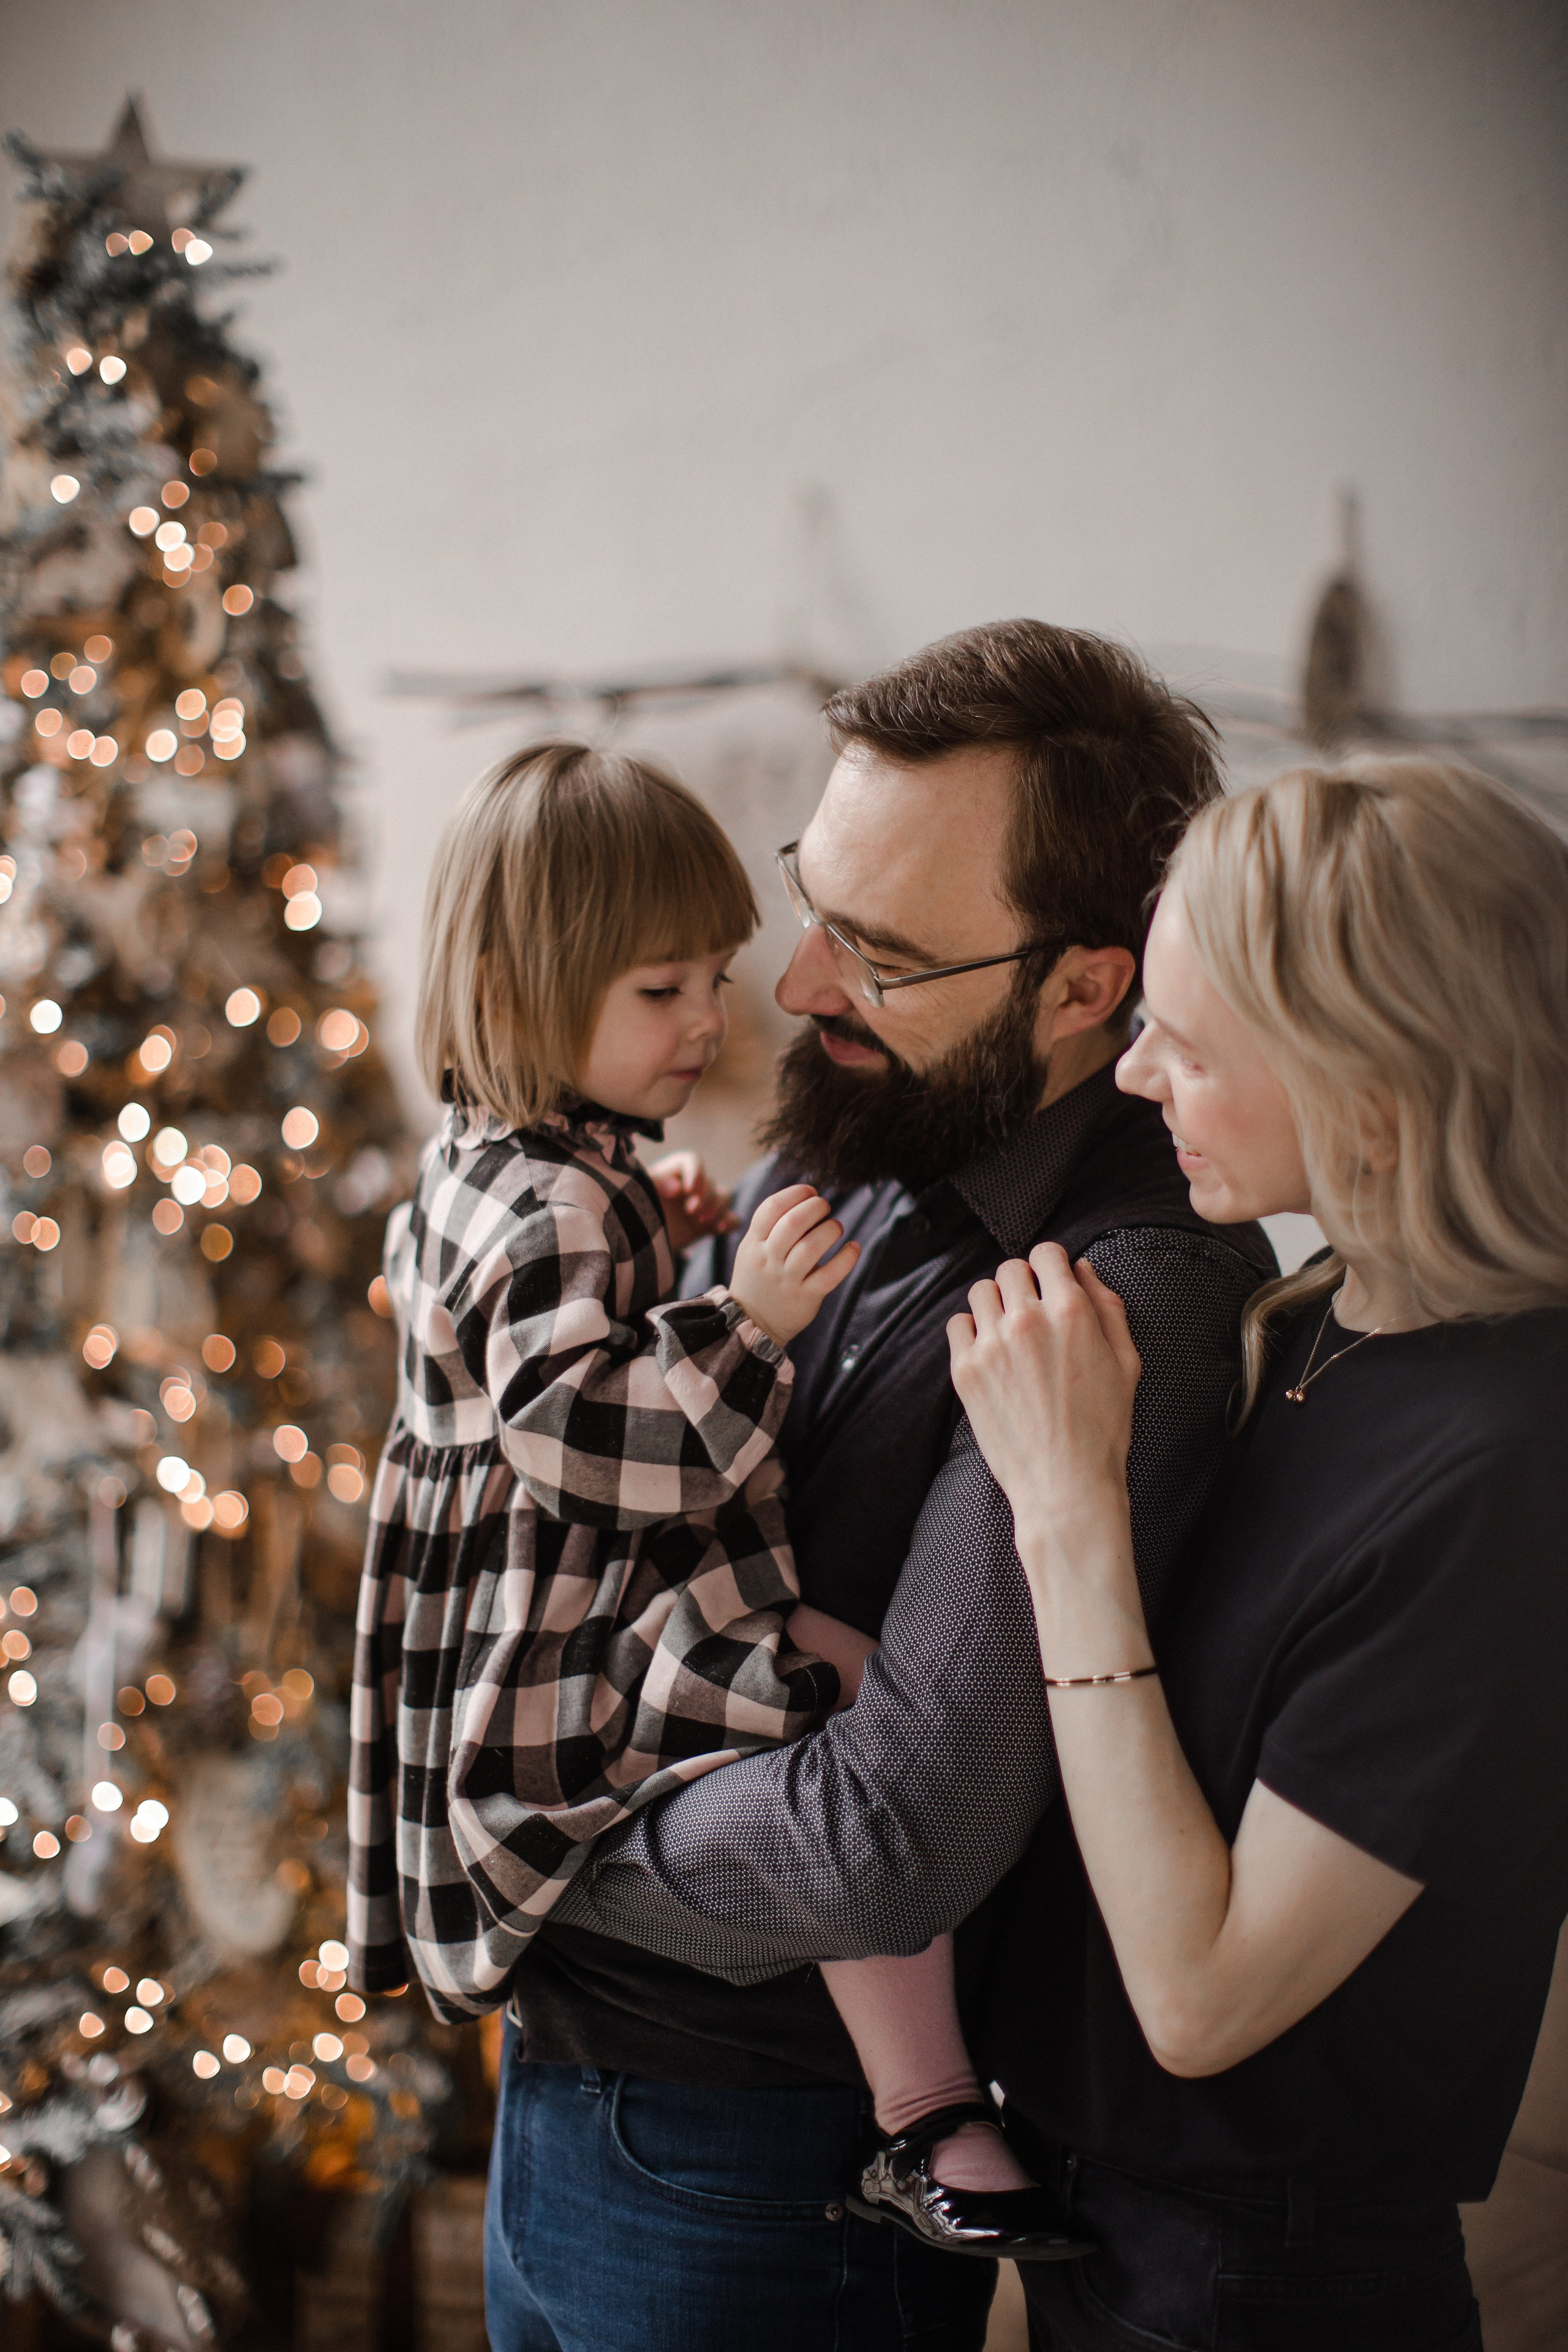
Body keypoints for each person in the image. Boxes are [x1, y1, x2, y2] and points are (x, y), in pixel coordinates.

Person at [505, 622, 1277, 2351]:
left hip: (766, 2169)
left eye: (880, 952)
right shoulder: (857, 1130)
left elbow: (889, 1837)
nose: (793, 990)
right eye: (815, 905)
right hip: (576, 2096)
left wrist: (503, 1841)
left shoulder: (1119, 1291)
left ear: (1089, 985)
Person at [344, 741, 1084, 2295]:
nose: (711, 1023)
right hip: (572, 1626)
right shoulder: (551, 1199)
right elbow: (573, 1442)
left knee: (841, 1685)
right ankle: (930, 2103)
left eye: (710, 978)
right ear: (527, 987)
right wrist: (739, 1322)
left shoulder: (517, 1163)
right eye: (657, 993)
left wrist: (661, 1249)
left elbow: (491, 1347)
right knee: (839, 1691)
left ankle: (927, 2097)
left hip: (554, 1599)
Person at [946, 755, 1568, 2350]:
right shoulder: (1306, 1324)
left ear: (1378, 1090)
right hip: (1103, 2228)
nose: (1138, 1077)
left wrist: (1067, 1514)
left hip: (1254, 2287)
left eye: (1194, 1047)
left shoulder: (1508, 1472)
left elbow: (1205, 2000)